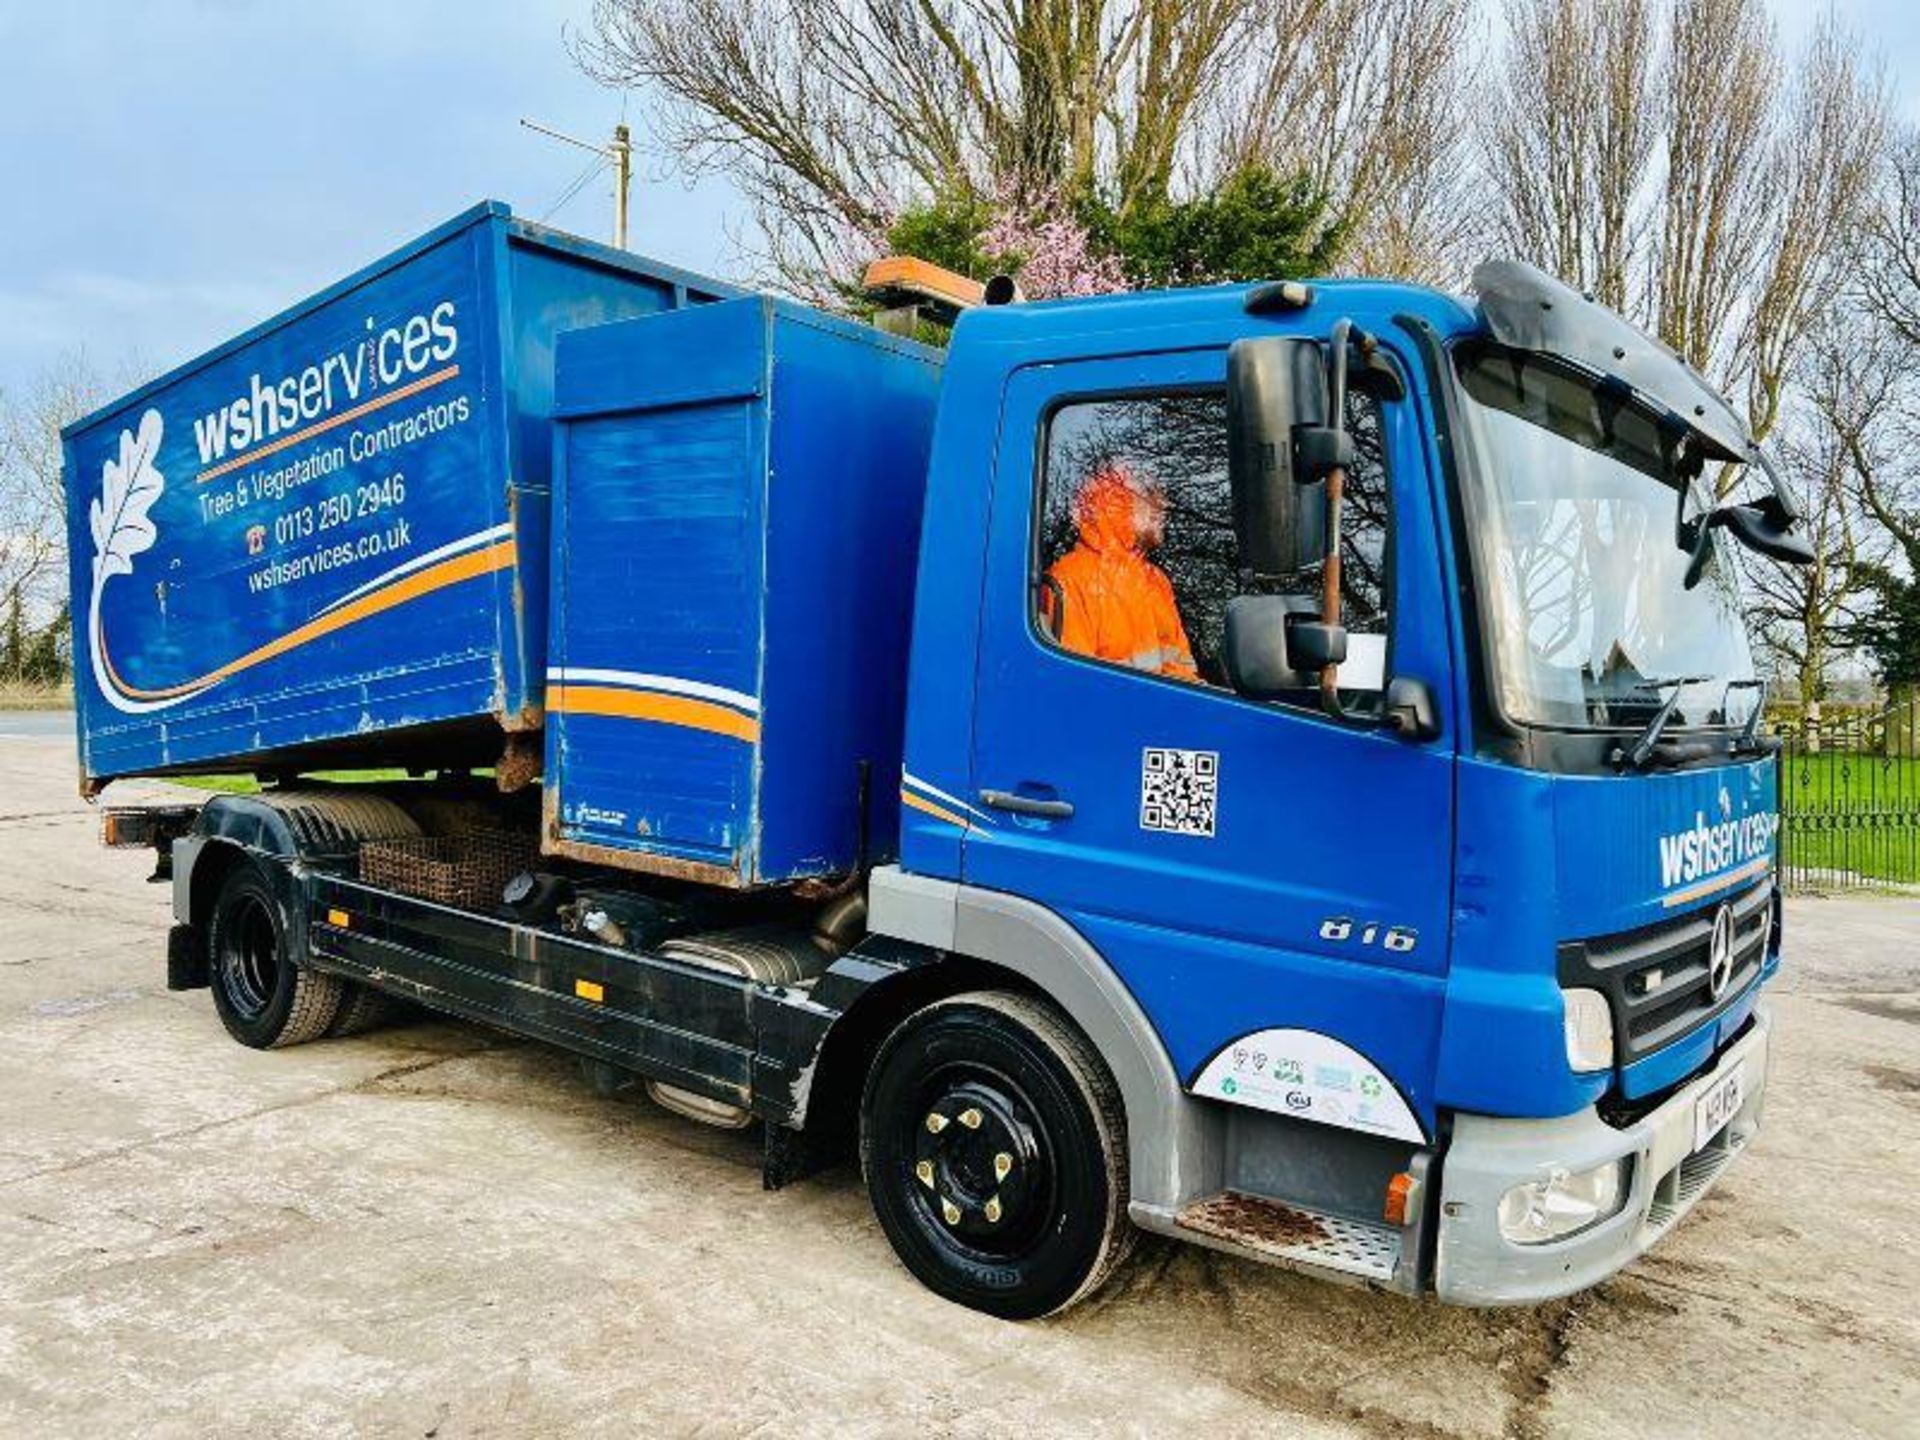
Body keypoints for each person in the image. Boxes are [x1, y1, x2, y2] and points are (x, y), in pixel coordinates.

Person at [1043, 462, 1199, 682]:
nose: (1163, 506)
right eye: (1148, 499)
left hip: (1163, 712)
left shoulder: (1155, 581)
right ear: (1116, 506)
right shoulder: (1070, 580)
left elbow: (1181, 670)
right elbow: (1075, 684)